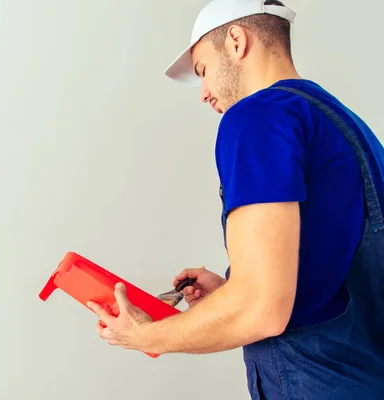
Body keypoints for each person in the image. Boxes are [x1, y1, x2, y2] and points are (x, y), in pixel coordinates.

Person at [86, 0, 384, 398]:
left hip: (314, 381)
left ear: (237, 41)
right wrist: (234, 286)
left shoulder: (257, 116)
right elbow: (331, 259)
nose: (204, 93)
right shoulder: (344, 123)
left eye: (203, 70)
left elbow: (260, 309)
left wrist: (146, 336)